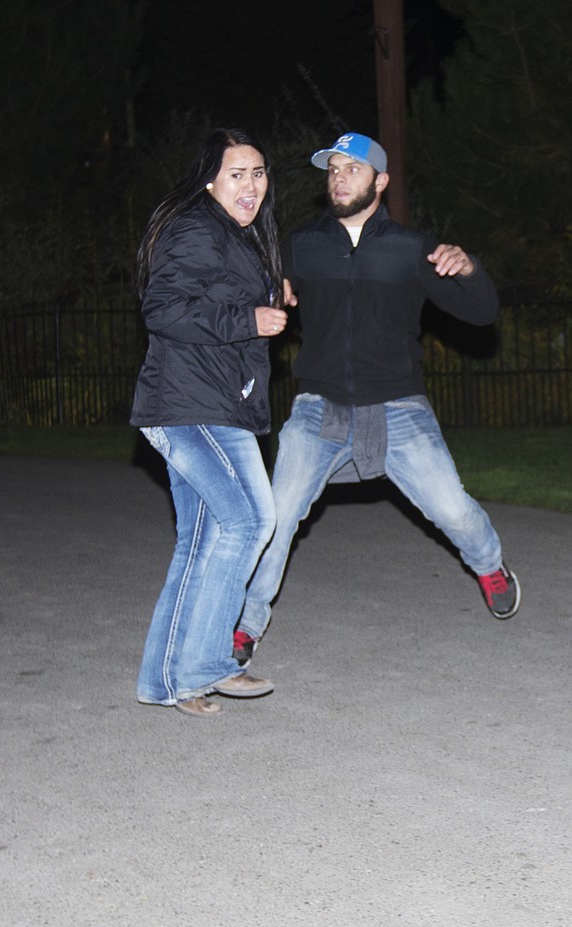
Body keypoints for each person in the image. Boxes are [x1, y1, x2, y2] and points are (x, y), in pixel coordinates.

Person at [234, 131, 519, 667]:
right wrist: (274, 292)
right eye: (333, 169)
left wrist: (471, 268)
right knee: (277, 514)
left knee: (453, 510)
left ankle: (490, 565)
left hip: (399, 405)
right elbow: (263, 289)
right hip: (319, 405)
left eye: (353, 168)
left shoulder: (412, 249)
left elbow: (481, 313)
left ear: (380, 181)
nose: (339, 177)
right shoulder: (302, 245)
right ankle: (245, 625)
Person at [131, 128, 288, 718]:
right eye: (237, 174)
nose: (251, 185)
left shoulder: (234, 236)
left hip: (211, 399)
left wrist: (271, 291)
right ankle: (208, 664)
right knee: (251, 519)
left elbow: (212, 292)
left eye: (259, 173)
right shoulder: (200, 227)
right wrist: (247, 315)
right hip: (193, 405)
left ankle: (165, 680)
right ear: (210, 180)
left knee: (200, 543)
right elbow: (163, 307)